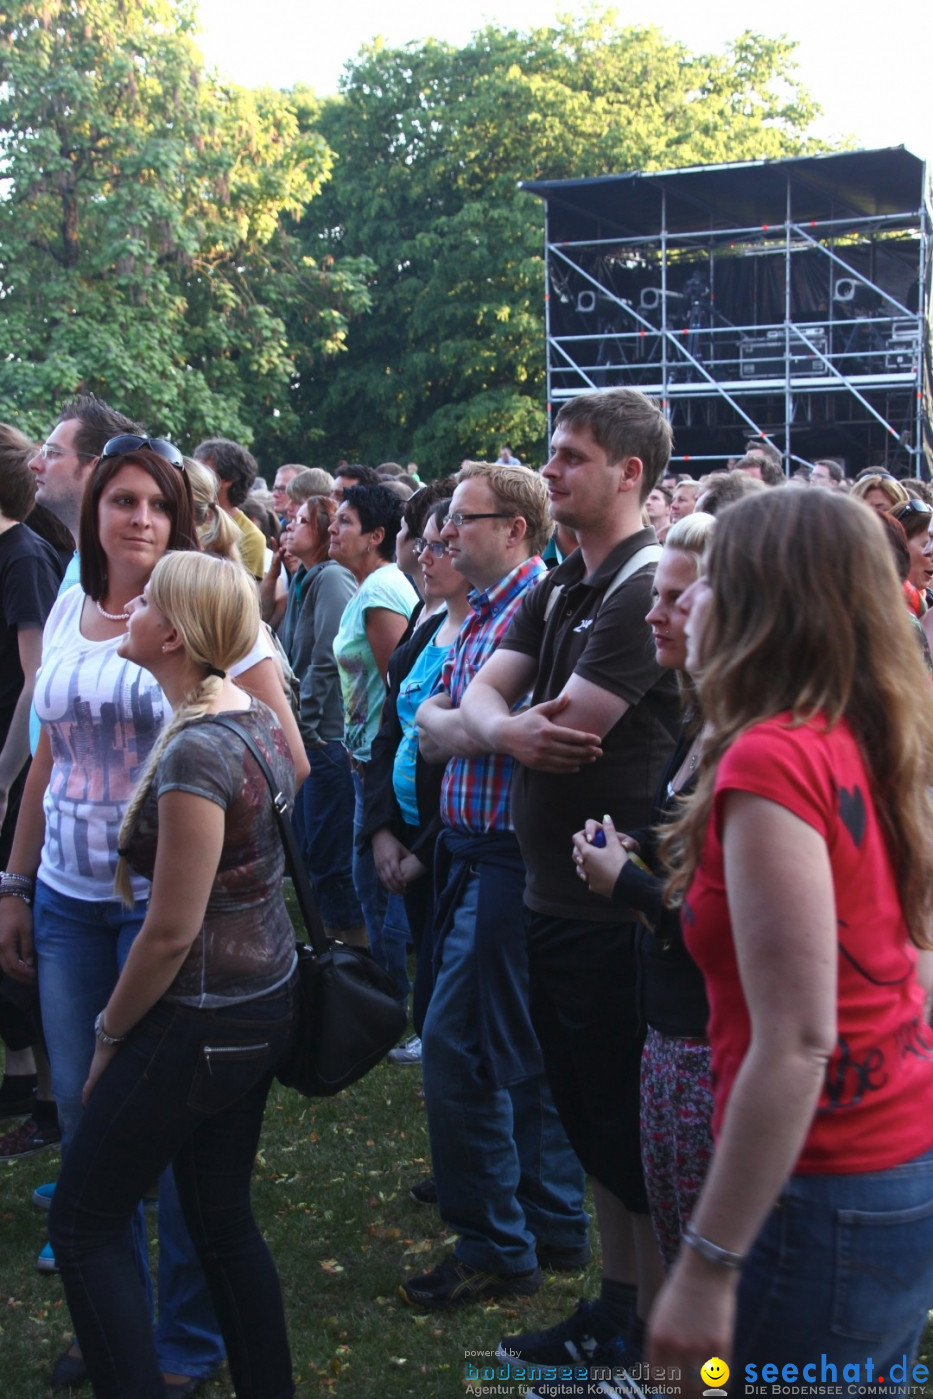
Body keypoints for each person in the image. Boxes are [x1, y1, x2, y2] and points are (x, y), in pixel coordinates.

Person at [648, 488, 933, 1384]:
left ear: (766, 602)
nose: (688, 599)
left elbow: (798, 1040)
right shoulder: (862, 729)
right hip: (892, 1161)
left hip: (825, 1183)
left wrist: (705, 1262)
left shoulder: (771, 757)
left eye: (713, 580)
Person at [460, 388, 679, 1383]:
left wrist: (495, 723)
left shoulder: (636, 586)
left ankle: (659, 1327)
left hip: (613, 905)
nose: (550, 472)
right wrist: (502, 731)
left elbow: (571, 719)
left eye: (570, 458)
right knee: (593, 1121)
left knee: (628, 1129)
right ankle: (620, 1307)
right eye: (552, 456)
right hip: (554, 897)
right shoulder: (561, 584)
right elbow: (478, 700)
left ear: (630, 471)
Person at [0, 440, 227, 1394]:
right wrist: (13, 883)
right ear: (92, 509)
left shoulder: (201, 602)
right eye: (122, 500)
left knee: (164, 1134)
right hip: (63, 898)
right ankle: (118, 1332)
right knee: (91, 1125)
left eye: (158, 505)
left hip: (154, 909)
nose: (139, 519)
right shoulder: (67, 602)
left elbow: (275, 753)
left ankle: (185, 1339)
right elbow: (48, 751)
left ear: (179, 519)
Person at [48, 550, 298, 1399]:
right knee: (221, 1216)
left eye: (149, 601)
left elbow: (167, 932)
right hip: (256, 1001)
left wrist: (109, 1034)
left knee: (83, 1219)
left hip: (202, 1014)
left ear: (176, 633)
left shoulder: (198, 749)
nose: (132, 608)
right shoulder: (247, 715)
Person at [402, 462, 588, 1310]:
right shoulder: (480, 611)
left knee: (460, 1049)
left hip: (510, 858)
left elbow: (527, 735)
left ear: (515, 528)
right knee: (518, 1047)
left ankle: (495, 1243)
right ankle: (549, 1223)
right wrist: (485, 728)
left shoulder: (538, 608)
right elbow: (430, 723)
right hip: (471, 850)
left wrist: (474, 728)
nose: (443, 535)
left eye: (461, 521)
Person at [571, 512, 716, 1269]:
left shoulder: (751, 749)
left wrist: (626, 881)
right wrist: (641, 857)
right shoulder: (704, 720)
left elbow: (728, 925)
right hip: (672, 1026)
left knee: (709, 1274)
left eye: (676, 599)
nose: (654, 614)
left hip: (709, 1042)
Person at [360, 499, 473, 1054]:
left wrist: (423, 851)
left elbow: (469, 764)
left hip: (442, 836)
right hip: (404, 827)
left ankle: (440, 1044)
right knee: (425, 942)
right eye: (423, 544)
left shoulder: (482, 639)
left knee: (442, 954)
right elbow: (389, 736)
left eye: (439, 546)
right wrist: (381, 830)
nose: (424, 557)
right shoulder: (423, 633)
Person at [329, 483, 418, 953]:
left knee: (381, 895)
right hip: (365, 762)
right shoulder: (369, 586)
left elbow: (398, 688)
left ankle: (389, 1004)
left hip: (380, 767)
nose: (332, 528)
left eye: (345, 521)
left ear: (375, 535)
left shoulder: (382, 590)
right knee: (372, 887)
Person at [283, 492, 364, 943]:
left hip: (325, 740)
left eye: (302, 521)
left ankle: (352, 964)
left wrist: (307, 727)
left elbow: (326, 659)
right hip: (309, 735)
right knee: (313, 852)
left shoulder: (332, 578)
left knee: (331, 859)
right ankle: (331, 951)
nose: (290, 527)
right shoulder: (307, 577)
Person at [193, 437, 267, 580]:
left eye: (202, 469)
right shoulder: (177, 515)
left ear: (227, 480)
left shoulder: (251, 537)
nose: (195, 475)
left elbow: (242, 597)